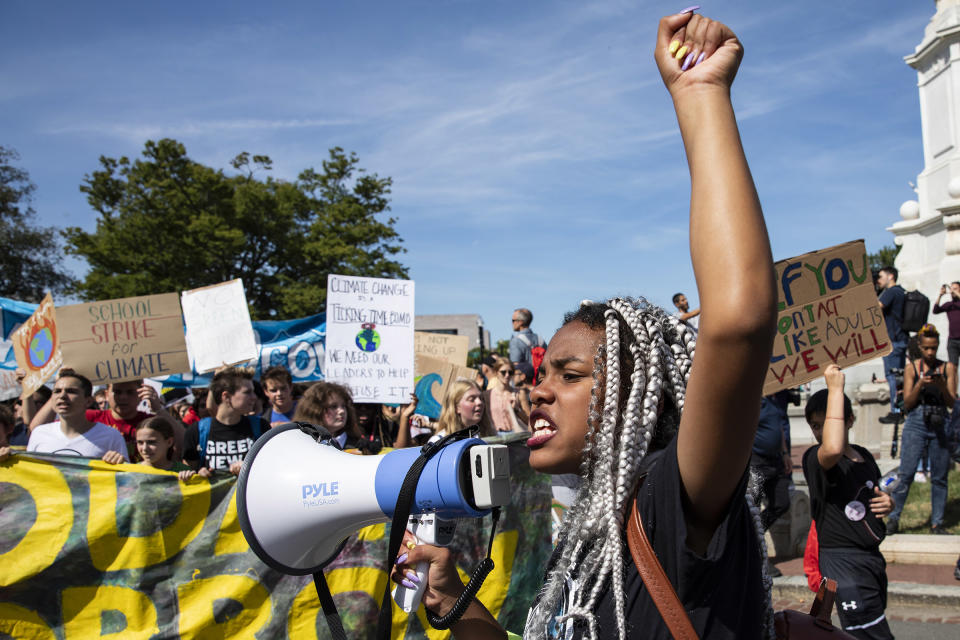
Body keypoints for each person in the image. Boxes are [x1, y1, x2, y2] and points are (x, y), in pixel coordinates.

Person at [391, 10, 777, 638]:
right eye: (542, 375)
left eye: (569, 375)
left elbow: (737, 321)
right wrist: (453, 600)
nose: (535, 391)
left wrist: (699, 94)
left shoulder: (670, 495)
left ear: (634, 396)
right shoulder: (594, 527)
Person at [802, 365, 895, 639]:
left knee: (868, 628)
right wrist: (835, 388)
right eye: (816, 426)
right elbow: (831, 448)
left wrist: (887, 503)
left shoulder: (864, 456)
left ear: (850, 420)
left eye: (829, 423)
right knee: (871, 634)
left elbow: (871, 498)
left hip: (871, 560)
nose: (821, 432)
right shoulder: (815, 459)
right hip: (843, 562)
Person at [885, 324, 957, 535]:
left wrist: (941, 385)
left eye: (934, 348)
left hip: (941, 421)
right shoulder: (912, 368)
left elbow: (952, 402)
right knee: (906, 473)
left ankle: (937, 523)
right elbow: (906, 403)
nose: (930, 352)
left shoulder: (948, 368)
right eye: (926, 348)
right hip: (916, 421)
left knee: (940, 476)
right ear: (920, 346)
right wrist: (920, 384)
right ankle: (893, 519)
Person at [29, 378, 182, 458]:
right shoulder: (89, 418)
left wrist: (158, 408)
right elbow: (36, 428)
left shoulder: (150, 422)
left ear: (140, 393)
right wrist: (59, 389)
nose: (123, 397)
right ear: (107, 394)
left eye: (130, 392)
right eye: (117, 391)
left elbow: (183, 441)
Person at [26, 369, 128, 464]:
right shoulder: (39, 434)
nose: (62, 396)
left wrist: (120, 463)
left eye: (71, 391)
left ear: (88, 401)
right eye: (57, 391)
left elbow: (126, 479)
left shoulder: (111, 437)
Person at [182, 367, 269, 475]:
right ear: (226, 396)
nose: (254, 397)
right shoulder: (197, 431)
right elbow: (188, 473)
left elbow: (273, 466)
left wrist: (250, 466)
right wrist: (197, 473)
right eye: (248, 392)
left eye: (254, 392)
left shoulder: (261, 427)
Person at [751, 391, 794, 577]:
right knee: (754, 507)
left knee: (782, 502)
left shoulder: (773, 401)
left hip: (775, 461)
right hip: (755, 462)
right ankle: (758, 558)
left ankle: (754, 532)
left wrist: (785, 453)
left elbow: (780, 428)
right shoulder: (748, 401)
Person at [877, 266, 908, 424]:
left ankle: (896, 411)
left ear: (890, 276)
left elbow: (876, 308)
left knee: (893, 377)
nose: (879, 280)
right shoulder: (901, 291)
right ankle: (899, 409)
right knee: (898, 377)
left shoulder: (890, 292)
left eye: (881, 276)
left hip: (893, 341)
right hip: (900, 339)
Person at [292, 381, 362, 450]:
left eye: (343, 406)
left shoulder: (359, 446)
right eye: (333, 406)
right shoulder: (301, 445)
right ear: (315, 410)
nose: (342, 411)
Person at [136, 416, 200, 481]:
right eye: (140, 443)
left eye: (151, 442)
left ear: (169, 442)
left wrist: (188, 480)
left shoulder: (182, 471)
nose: (145, 448)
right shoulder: (133, 472)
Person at [932, 281, 960, 369]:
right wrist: (940, 295)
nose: (952, 291)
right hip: (952, 340)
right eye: (951, 288)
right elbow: (935, 310)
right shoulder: (949, 305)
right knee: (952, 367)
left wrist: (956, 293)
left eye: (955, 288)